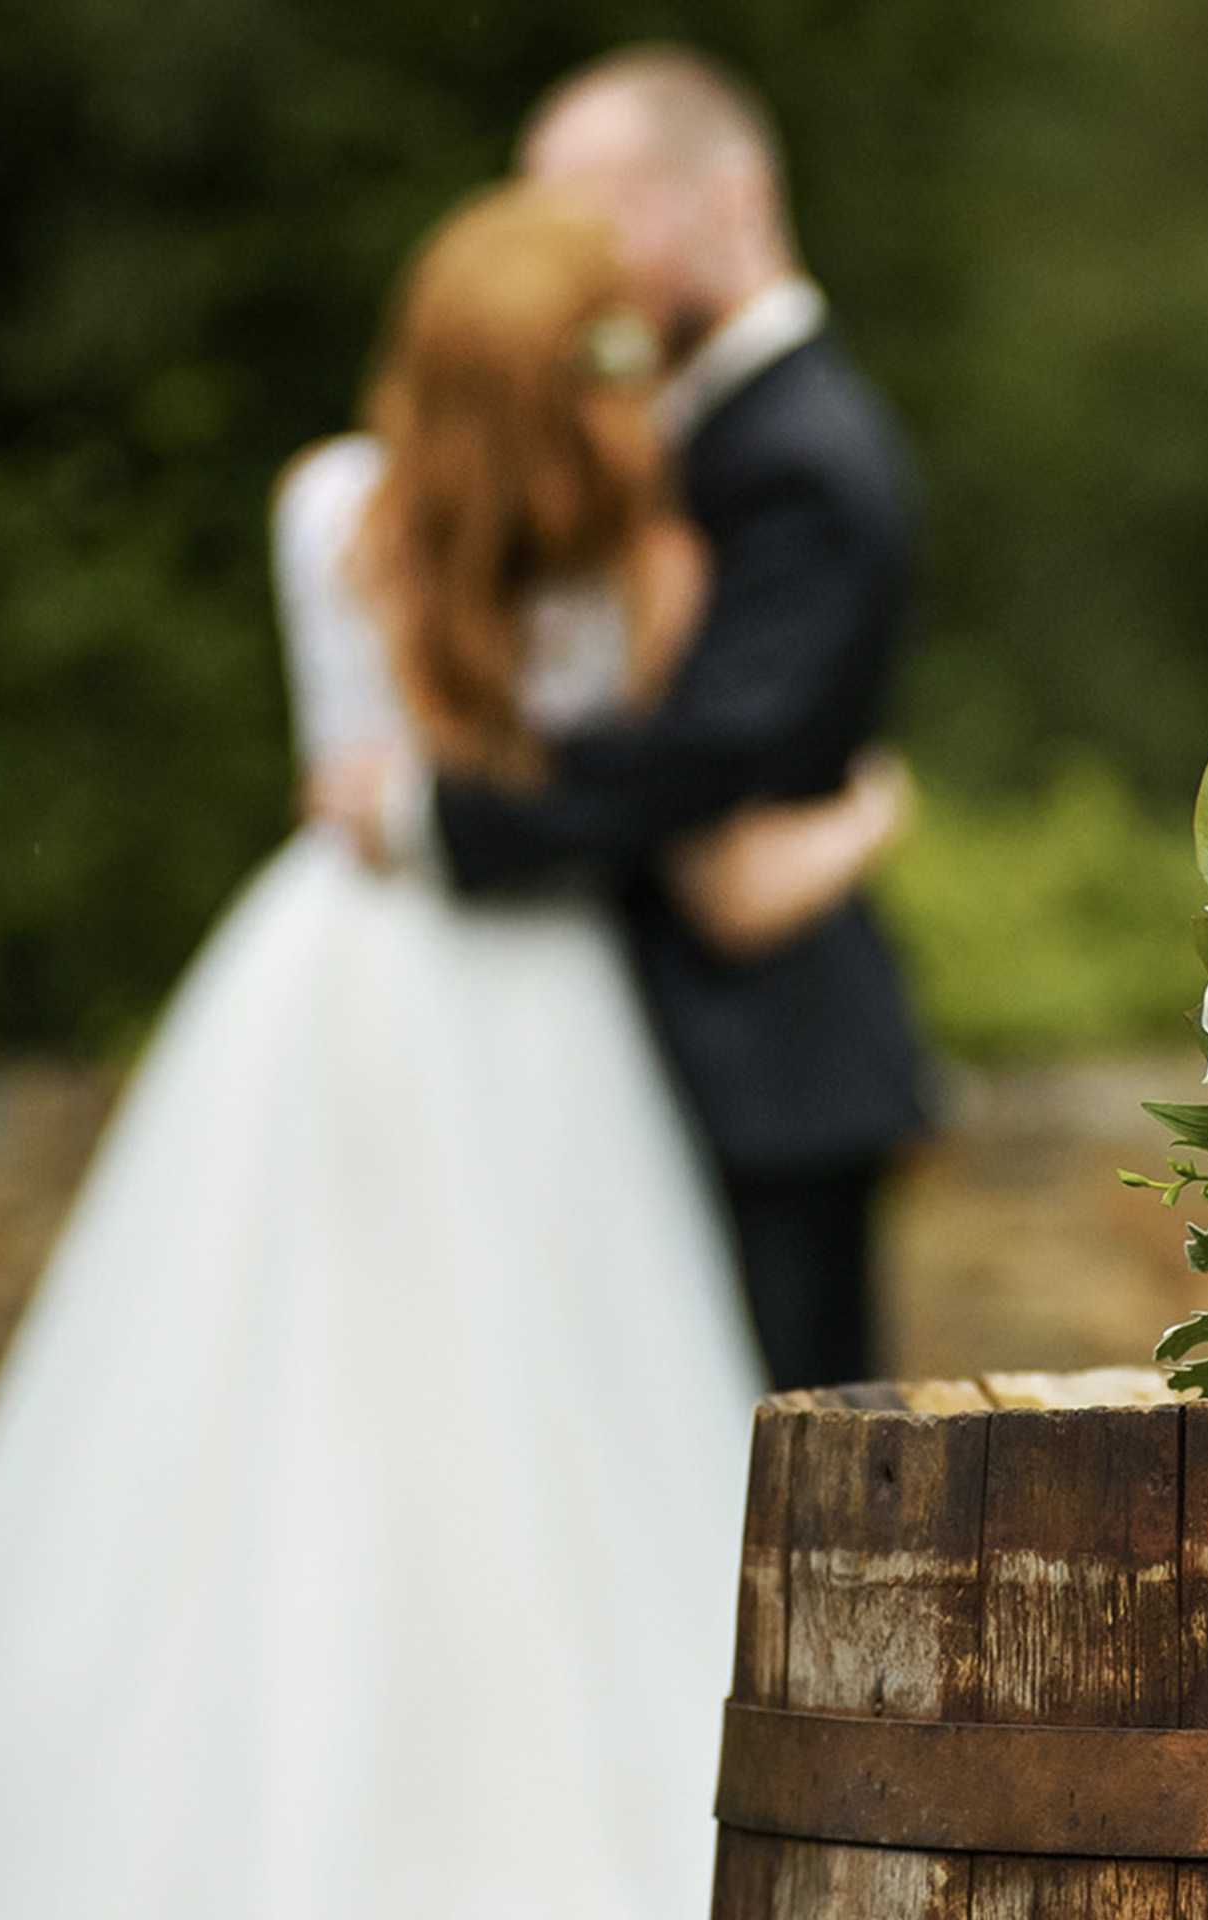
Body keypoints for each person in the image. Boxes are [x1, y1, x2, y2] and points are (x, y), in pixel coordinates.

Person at [0, 184, 899, 1920]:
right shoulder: (645, 556)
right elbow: (695, 854)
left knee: (279, 1381)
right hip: (544, 1014)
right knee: (528, 1403)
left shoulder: (331, 510)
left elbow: (346, 790)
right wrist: (867, 813)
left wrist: (411, 806)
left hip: (333, 988)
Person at [326, 45, 932, 1393]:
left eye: (590, 211)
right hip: (627, 1041)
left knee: (788, 1490)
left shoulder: (804, 453)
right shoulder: (670, 431)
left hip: (763, 1056)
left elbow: (710, 751)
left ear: (731, 194)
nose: (563, 262)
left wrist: (432, 810)